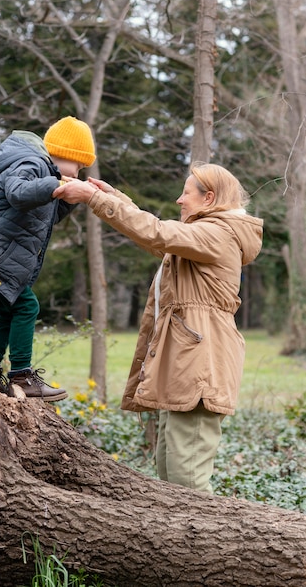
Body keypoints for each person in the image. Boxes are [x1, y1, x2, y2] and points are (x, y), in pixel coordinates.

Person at [53, 163, 263, 492]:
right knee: (171, 476)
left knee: (187, 480)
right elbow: (157, 238)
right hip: (185, 364)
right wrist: (114, 197)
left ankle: (206, 541)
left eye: (187, 193)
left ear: (209, 198)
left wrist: (94, 198)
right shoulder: (204, 236)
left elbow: (158, 232)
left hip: (199, 366)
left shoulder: (218, 233)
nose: (179, 200)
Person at [0, 116, 96, 402]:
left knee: (10, 312)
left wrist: (69, 199)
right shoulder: (33, 163)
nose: (79, 171)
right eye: (79, 164)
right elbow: (18, 193)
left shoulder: (44, 173)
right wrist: (55, 184)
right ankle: (22, 376)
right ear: (63, 154)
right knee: (28, 306)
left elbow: (47, 217)